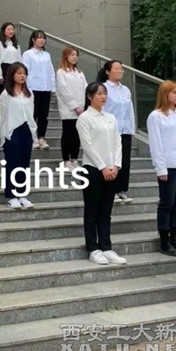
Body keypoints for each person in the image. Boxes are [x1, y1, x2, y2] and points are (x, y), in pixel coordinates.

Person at [77, 82, 127, 266]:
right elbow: (87, 145)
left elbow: (117, 142)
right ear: (90, 97)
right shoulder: (84, 118)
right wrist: (102, 167)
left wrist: (116, 165)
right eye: (99, 94)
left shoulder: (110, 117)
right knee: (92, 210)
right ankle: (93, 248)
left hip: (112, 169)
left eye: (105, 93)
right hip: (92, 169)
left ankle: (106, 246)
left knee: (106, 211)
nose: (103, 96)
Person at [147, 81, 176, 257]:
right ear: (165, 94)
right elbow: (156, 144)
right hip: (168, 164)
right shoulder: (156, 116)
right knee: (167, 202)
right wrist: (161, 168)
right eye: (174, 92)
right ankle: (164, 241)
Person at [0, 62, 37, 210]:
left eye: (24, 73)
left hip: (26, 130)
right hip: (12, 131)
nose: (22, 76)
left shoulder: (29, 94)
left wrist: (33, 132)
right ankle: (11, 195)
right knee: (12, 163)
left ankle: (22, 194)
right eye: (19, 73)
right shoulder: (6, 94)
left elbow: (31, 114)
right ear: (12, 75)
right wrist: (4, 132)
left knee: (24, 164)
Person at [98, 60, 135, 204]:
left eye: (121, 69)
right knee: (112, 160)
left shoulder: (125, 90)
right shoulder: (104, 88)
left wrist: (131, 128)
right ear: (108, 72)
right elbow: (103, 109)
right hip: (111, 130)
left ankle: (122, 190)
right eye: (117, 68)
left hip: (125, 129)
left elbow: (129, 110)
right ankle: (110, 191)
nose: (120, 71)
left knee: (124, 161)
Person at [22, 30, 55, 150]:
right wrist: (26, 88)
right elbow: (25, 71)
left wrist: (53, 88)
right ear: (33, 39)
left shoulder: (46, 54)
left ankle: (41, 137)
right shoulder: (28, 54)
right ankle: (32, 138)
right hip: (33, 88)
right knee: (32, 114)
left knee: (43, 115)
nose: (42, 40)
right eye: (39, 38)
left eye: (43, 38)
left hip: (46, 88)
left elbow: (51, 71)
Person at [56, 47, 87, 168]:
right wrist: (75, 106)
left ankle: (74, 158)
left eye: (76, 55)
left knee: (77, 135)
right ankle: (66, 160)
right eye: (72, 55)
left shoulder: (80, 73)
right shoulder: (61, 72)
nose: (74, 57)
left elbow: (85, 88)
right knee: (68, 134)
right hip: (68, 109)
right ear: (66, 56)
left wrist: (83, 106)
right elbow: (64, 91)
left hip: (81, 108)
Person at [0, 22, 22, 93]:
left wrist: (21, 72)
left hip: (15, 69)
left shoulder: (16, 45)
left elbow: (19, 59)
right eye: (9, 29)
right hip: (5, 69)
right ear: (3, 31)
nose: (11, 31)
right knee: (5, 93)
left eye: (12, 29)